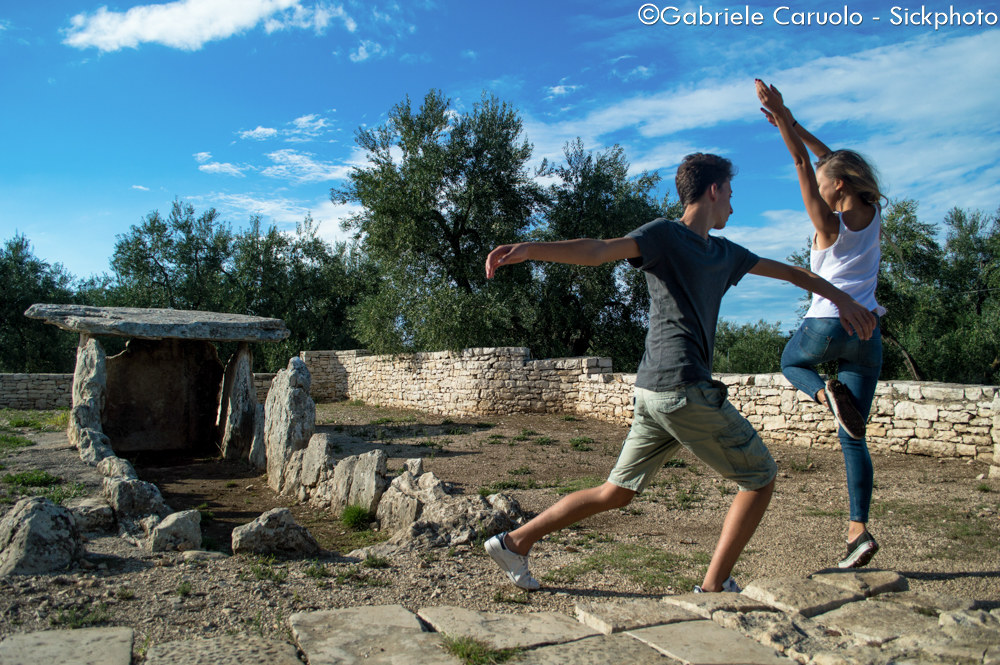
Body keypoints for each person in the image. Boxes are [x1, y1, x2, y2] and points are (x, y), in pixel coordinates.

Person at [483, 152, 876, 592]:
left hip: (653, 391)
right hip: (683, 388)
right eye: (730, 193)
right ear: (713, 190)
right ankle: (714, 587)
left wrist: (842, 299)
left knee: (616, 492)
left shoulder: (725, 253)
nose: (732, 205)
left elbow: (793, 272)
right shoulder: (664, 235)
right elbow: (600, 250)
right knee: (760, 477)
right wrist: (531, 249)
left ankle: (514, 542)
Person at [756, 79, 886, 569]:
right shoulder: (870, 214)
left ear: (837, 185)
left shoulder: (827, 224)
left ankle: (823, 393)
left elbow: (801, 162)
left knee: (791, 361)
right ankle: (858, 530)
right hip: (868, 333)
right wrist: (789, 118)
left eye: (826, 179)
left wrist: (783, 126)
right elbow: (831, 159)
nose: (821, 180)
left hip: (827, 323)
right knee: (854, 436)